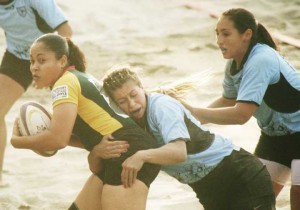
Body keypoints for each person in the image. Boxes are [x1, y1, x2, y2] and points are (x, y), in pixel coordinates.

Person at [82, 66, 275, 210]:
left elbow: (179, 152)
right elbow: (98, 168)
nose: (132, 104)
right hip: (209, 190)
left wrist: (141, 156)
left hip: (239, 175)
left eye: (134, 94)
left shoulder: (161, 107)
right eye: (122, 101)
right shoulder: (127, 125)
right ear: (115, 105)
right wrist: (97, 152)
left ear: (142, 87)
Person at [10, 34, 160, 210]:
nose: (34, 67)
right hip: (123, 148)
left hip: (128, 151)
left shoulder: (64, 84)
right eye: (32, 61)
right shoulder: (80, 76)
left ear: (62, 60)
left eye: (41, 61)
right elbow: (89, 132)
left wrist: (16, 141)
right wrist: (95, 149)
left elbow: (58, 140)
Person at [181, 8, 300, 210]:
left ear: (247, 34)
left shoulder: (261, 59)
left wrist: (196, 112)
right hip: (274, 138)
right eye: (217, 33)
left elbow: (241, 114)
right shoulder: (234, 64)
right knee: (252, 198)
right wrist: (191, 120)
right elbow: (229, 100)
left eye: (226, 34)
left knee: (297, 196)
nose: (219, 40)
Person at [0, 0, 72, 186]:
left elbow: (65, 31)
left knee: (77, 120)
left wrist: (51, 70)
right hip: (16, 57)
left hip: (48, 59)